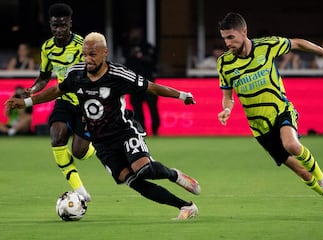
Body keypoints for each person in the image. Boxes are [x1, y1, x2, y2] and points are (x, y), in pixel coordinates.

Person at [6, 32, 201, 220]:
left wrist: (182, 95)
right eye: (84, 54)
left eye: (92, 54)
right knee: (134, 181)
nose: (87, 59)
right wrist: (27, 102)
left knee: (144, 170)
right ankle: (186, 206)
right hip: (101, 142)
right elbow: (57, 90)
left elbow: (151, 86)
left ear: (104, 53)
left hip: (124, 132)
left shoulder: (118, 74)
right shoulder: (76, 74)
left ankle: (174, 175)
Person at [216, 12, 323, 219]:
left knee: (292, 145)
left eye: (231, 37)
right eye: (224, 38)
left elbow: (298, 43)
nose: (227, 43)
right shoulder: (224, 63)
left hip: (281, 110)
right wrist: (227, 109)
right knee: (302, 172)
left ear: (244, 32)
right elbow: (228, 96)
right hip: (259, 128)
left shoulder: (267, 46)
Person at [26, 3, 95, 201]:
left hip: (85, 102)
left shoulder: (82, 46)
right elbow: (44, 77)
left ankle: (97, 143)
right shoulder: (47, 47)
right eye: (55, 26)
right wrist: (32, 90)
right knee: (57, 138)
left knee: (79, 152)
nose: (59, 30)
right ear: (50, 24)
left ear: (70, 23)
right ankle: (80, 191)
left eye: (63, 25)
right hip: (63, 99)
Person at [123, 27, 160, 136]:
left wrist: (142, 57)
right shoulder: (127, 48)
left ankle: (155, 129)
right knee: (137, 108)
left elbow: (153, 61)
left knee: (152, 106)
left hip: (148, 82)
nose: (133, 35)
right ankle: (141, 129)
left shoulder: (147, 47)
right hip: (134, 84)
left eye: (136, 32)